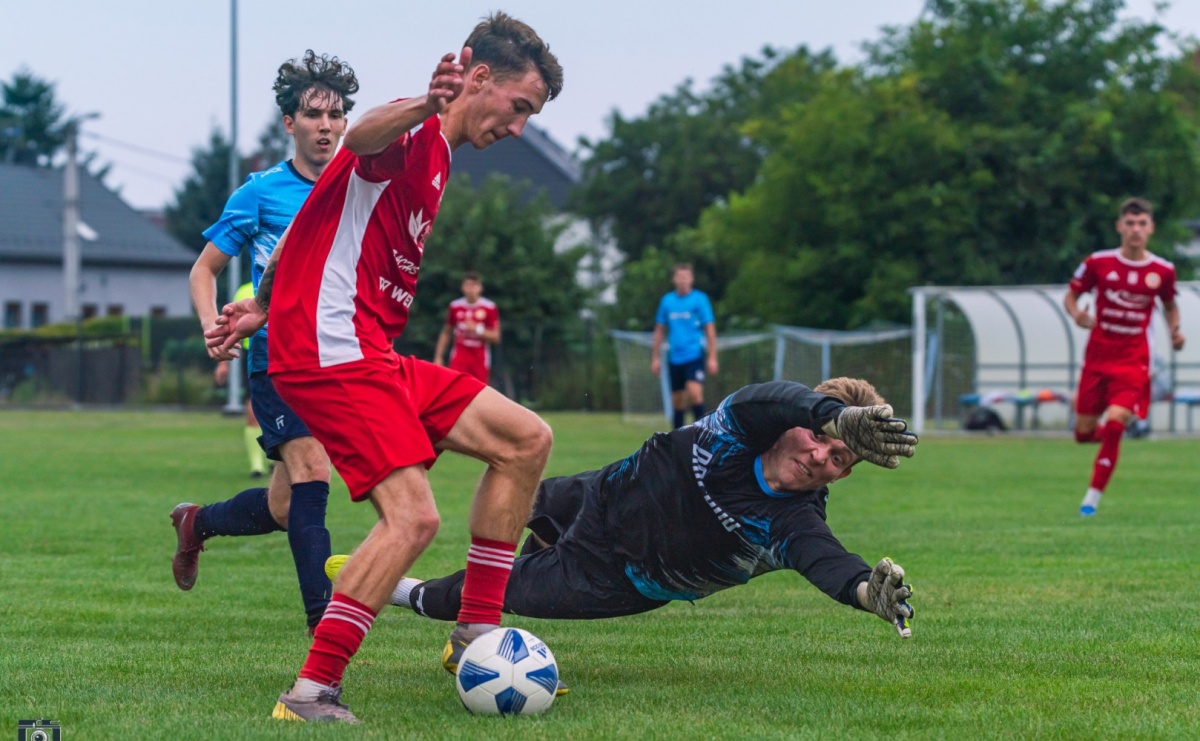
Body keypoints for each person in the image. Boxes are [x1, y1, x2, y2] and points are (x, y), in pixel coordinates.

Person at [206, 13, 564, 724]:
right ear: (479, 77)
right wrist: (427, 105)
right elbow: (364, 136)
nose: (519, 127)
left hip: (371, 350)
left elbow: (317, 215)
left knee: (526, 439)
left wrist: (262, 305)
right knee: (412, 517)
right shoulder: (415, 133)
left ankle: (475, 635)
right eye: (519, 107)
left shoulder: (440, 156)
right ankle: (310, 693)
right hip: (331, 352)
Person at [326, 378, 918, 651]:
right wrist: (831, 414)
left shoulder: (789, 523)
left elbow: (828, 561)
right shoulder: (745, 422)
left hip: (615, 579)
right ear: (801, 422)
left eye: (838, 458)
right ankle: (399, 504)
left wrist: (867, 592)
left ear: (844, 474)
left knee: (483, 591)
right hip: (597, 494)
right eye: (819, 435)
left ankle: (401, 590)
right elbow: (774, 396)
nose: (819, 456)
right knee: (511, 495)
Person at [174, 51, 359, 636]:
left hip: (337, 360)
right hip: (275, 359)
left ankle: (198, 523)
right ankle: (324, 629)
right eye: (313, 114)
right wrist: (213, 326)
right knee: (312, 477)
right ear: (290, 123)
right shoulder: (260, 193)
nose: (326, 126)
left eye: (336, 115)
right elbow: (203, 271)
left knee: (284, 506)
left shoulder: (358, 186)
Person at [1064, 197, 1184, 516]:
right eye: (1130, 224)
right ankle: (1115, 438)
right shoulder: (1098, 263)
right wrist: (1076, 314)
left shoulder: (1163, 270)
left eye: (1142, 224)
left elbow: (1170, 305)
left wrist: (1175, 331)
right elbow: (1072, 294)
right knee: (1083, 433)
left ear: (1151, 228)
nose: (1135, 230)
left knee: (1116, 423)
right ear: (1119, 226)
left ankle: (1091, 500)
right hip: (1097, 361)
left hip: (1134, 364)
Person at [651, 263, 718, 428]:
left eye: (686, 277)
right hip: (674, 357)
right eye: (680, 277)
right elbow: (659, 331)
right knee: (678, 401)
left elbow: (709, 328)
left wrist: (712, 357)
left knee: (695, 393)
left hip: (694, 355)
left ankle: (702, 433)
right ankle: (677, 439)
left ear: (692, 279)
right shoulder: (667, 301)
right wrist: (655, 358)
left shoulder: (699, 300)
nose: (683, 281)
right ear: (674, 279)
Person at [214, 283, 268, 479]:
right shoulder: (244, 290)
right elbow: (230, 325)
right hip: (253, 354)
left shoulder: (288, 276)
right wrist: (223, 364)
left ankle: (277, 460)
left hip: (285, 350)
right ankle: (257, 467)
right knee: (253, 411)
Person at [433, 271, 500, 384]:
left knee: (479, 391)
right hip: (459, 357)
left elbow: (495, 337)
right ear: (462, 287)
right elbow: (446, 332)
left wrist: (477, 329)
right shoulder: (455, 306)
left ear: (480, 288)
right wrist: (438, 356)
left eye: (474, 285)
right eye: (468, 285)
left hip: (480, 359)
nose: (471, 289)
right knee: (454, 388)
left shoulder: (489, 308)